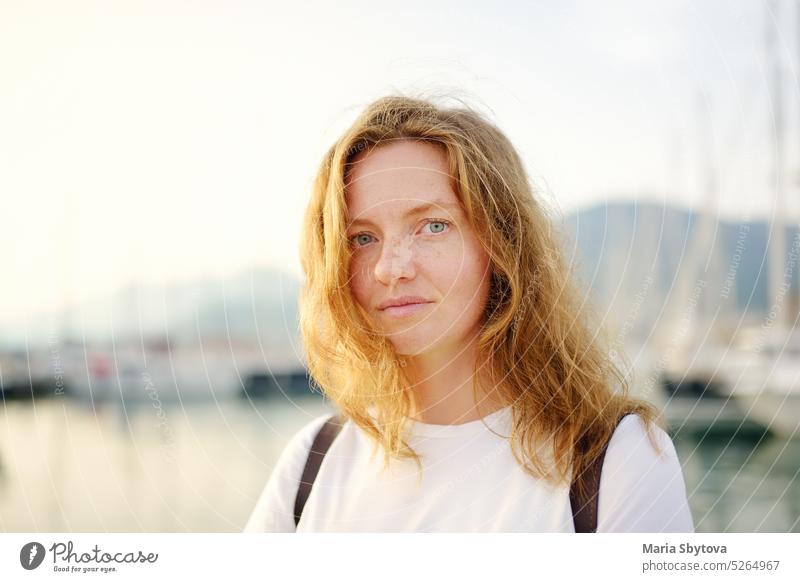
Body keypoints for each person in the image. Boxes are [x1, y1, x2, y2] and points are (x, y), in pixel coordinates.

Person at [243, 95, 694, 533]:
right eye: (362, 238)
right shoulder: (313, 462)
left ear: (502, 247)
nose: (390, 268)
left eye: (432, 226)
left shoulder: (614, 460)